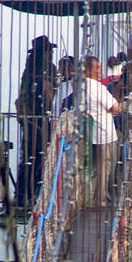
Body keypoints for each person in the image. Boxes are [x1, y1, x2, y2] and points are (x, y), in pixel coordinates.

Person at [16, 35, 56, 207]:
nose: (51, 53)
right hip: (41, 119)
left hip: (29, 118)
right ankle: (35, 194)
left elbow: (23, 96)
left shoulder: (29, 69)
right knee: (41, 156)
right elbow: (49, 93)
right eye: (49, 50)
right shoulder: (48, 68)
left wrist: (24, 116)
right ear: (45, 52)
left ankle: (22, 194)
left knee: (27, 157)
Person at [83, 55, 120, 200]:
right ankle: (100, 200)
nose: (100, 71)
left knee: (90, 170)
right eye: (97, 68)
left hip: (87, 135)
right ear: (88, 70)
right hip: (104, 135)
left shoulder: (79, 86)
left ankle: (87, 199)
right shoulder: (96, 87)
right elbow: (115, 107)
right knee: (104, 170)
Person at [53, 55, 75, 119]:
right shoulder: (62, 86)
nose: (61, 71)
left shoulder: (64, 86)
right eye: (60, 68)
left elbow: (56, 109)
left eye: (63, 68)